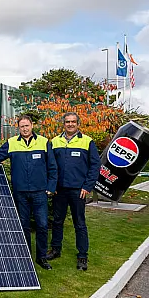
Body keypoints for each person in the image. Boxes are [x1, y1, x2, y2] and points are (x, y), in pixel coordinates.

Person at [0, 115, 57, 270]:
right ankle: (25, 257)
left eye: (27, 126)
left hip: (40, 192)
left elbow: (52, 167)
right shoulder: (12, 143)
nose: (25, 129)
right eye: (22, 126)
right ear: (18, 128)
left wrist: (51, 187)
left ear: (32, 125)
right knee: (23, 226)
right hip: (20, 192)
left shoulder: (43, 142)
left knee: (42, 225)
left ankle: (41, 258)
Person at [46, 112, 101, 271]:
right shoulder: (55, 141)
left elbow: (95, 166)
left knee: (80, 223)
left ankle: (82, 256)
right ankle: (56, 250)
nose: (70, 124)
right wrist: (52, 185)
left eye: (73, 122)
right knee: (57, 221)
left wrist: (87, 186)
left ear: (78, 124)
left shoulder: (87, 142)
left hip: (79, 191)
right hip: (59, 190)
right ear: (63, 124)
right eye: (67, 122)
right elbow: (50, 166)